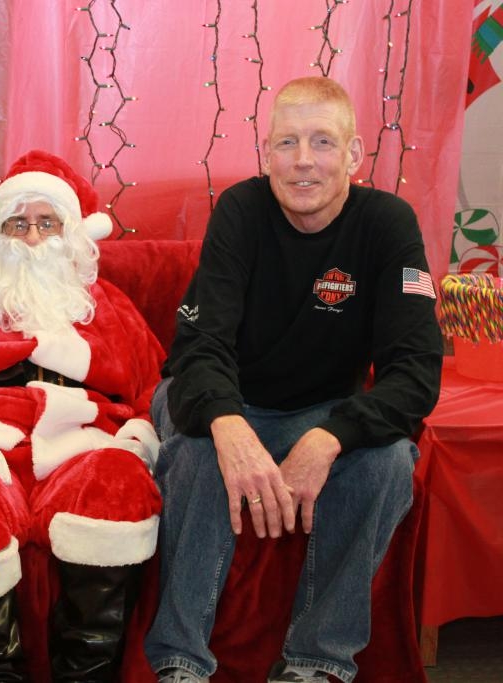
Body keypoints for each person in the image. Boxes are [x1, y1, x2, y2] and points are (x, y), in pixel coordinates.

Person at [144, 76, 443, 683]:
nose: (303, 161)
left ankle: (317, 662)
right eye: (287, 143)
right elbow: (199, 347)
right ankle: (178, 661)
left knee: (387, 461)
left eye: (322, 142)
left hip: (321, 409)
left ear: (355, 156)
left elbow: (415, 371)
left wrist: (329, 437)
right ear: (265, 154)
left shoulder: (388, 224)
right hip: (218, 398)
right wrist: (230, 427)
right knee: (201, 450)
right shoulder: (241, 210)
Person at [0, 150, 166, 682]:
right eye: (18, 224)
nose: (34, 239)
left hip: (85, 444)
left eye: (47, 223)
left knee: (118, 484)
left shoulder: (106, 304)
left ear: (72, 235)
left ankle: (86, 673)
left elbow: (155, 384)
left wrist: (136, 438)